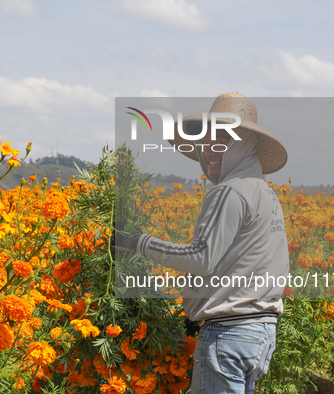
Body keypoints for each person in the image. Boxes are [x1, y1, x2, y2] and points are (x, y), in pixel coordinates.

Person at [114, 93, 290, 393]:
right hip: (258, 332)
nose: (209, 151)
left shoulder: (230, 192)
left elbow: (201, 258)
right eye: (206, 142)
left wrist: (137, 241)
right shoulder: (264, 192)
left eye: (222, 141)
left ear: (245, 144)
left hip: (229, 334)